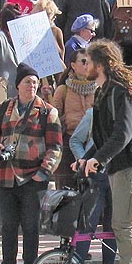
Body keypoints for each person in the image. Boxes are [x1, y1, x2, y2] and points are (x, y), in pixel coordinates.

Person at [76, 39, 132, 264]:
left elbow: (122, 134)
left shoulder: (120, 91)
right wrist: (86, 159)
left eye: (88, 62)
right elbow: (102, 135)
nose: (85, 66)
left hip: (128, 165)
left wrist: (99, 159)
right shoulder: (103, 91)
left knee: (123, 224)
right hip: (117, 166)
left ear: (100, 64)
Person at [0, 64, 62, 264]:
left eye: (35, 82)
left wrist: (43, 173)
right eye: (27, 82)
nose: (32, 86)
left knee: (30, 228)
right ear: (18, 85)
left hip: (33, 179)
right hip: (6, 177)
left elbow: (55, 147)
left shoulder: (47, 112)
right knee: (8, 227)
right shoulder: (2, 109)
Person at [70, 107, 117, 264]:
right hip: (94, 176)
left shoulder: (125, 114)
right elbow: (75, 140)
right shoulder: (93, 113)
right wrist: (84, 161)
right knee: (86, 223)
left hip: (117, 175)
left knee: (112, 225)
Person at [51, 48, 95, 190]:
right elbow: (53, 118)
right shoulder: (63, 90)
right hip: (68, 143)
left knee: (91, 190)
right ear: (73, 65)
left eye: (89, 61)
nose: (87, 65)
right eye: (83, 61)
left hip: (92, 144)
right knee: (66, 189)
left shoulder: (98, 88)